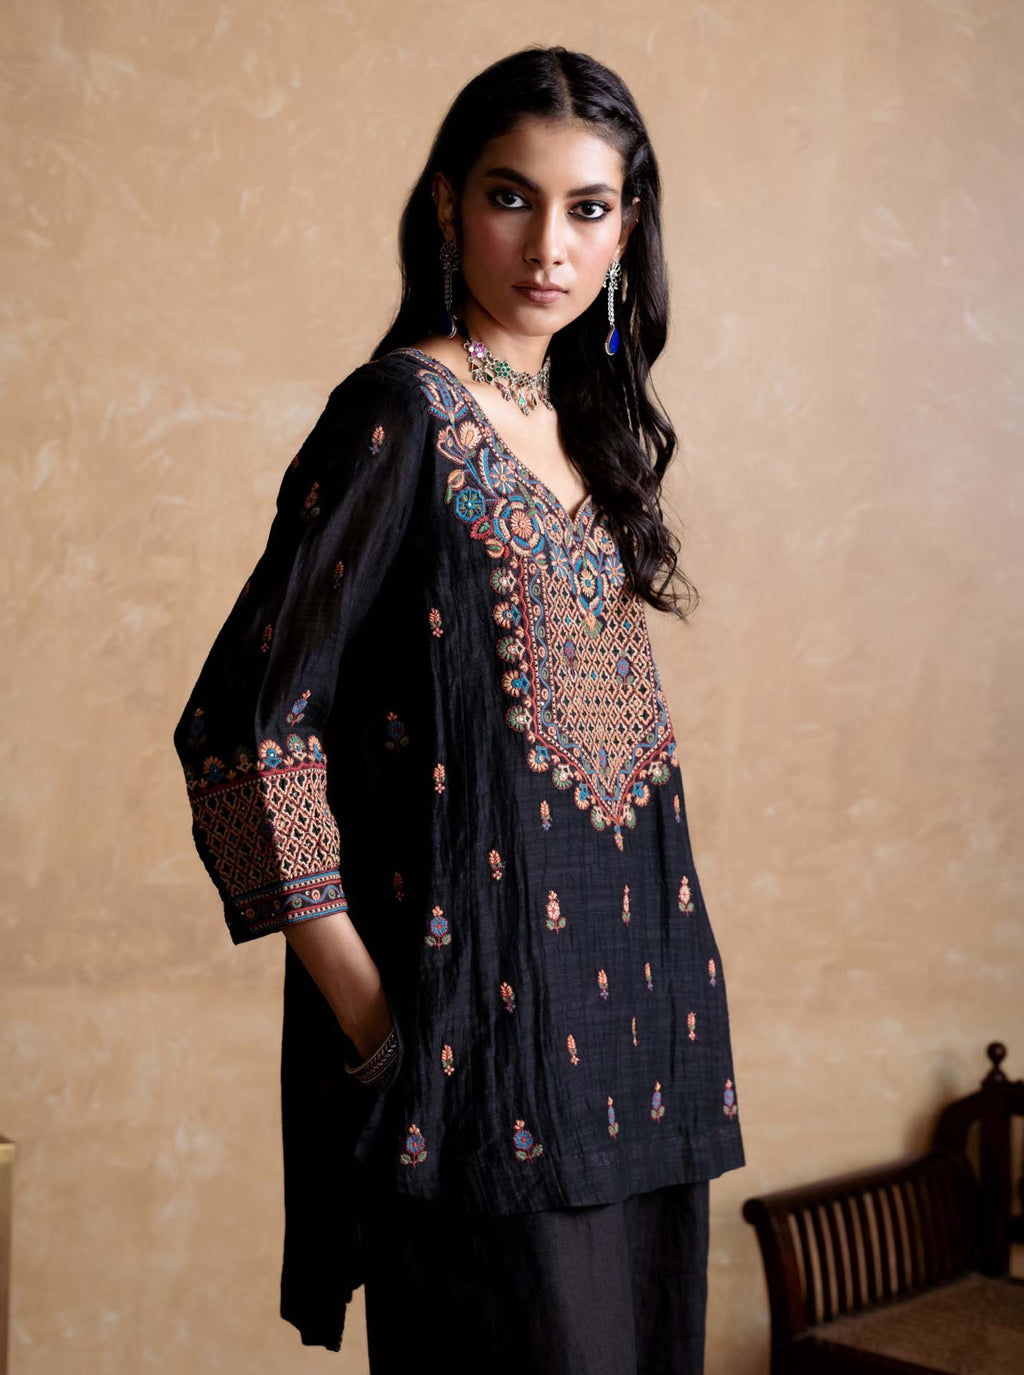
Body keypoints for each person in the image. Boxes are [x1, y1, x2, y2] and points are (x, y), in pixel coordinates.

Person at [172, 44, 745, 1374]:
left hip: (645, 1048)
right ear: (446, 207)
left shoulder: (584, 422)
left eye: (589, 207)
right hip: (480, 1070)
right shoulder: (399, 416)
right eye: (511, 197)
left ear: (629, 224)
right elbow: (245, 732)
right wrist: (380, 1032)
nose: (549, 244)